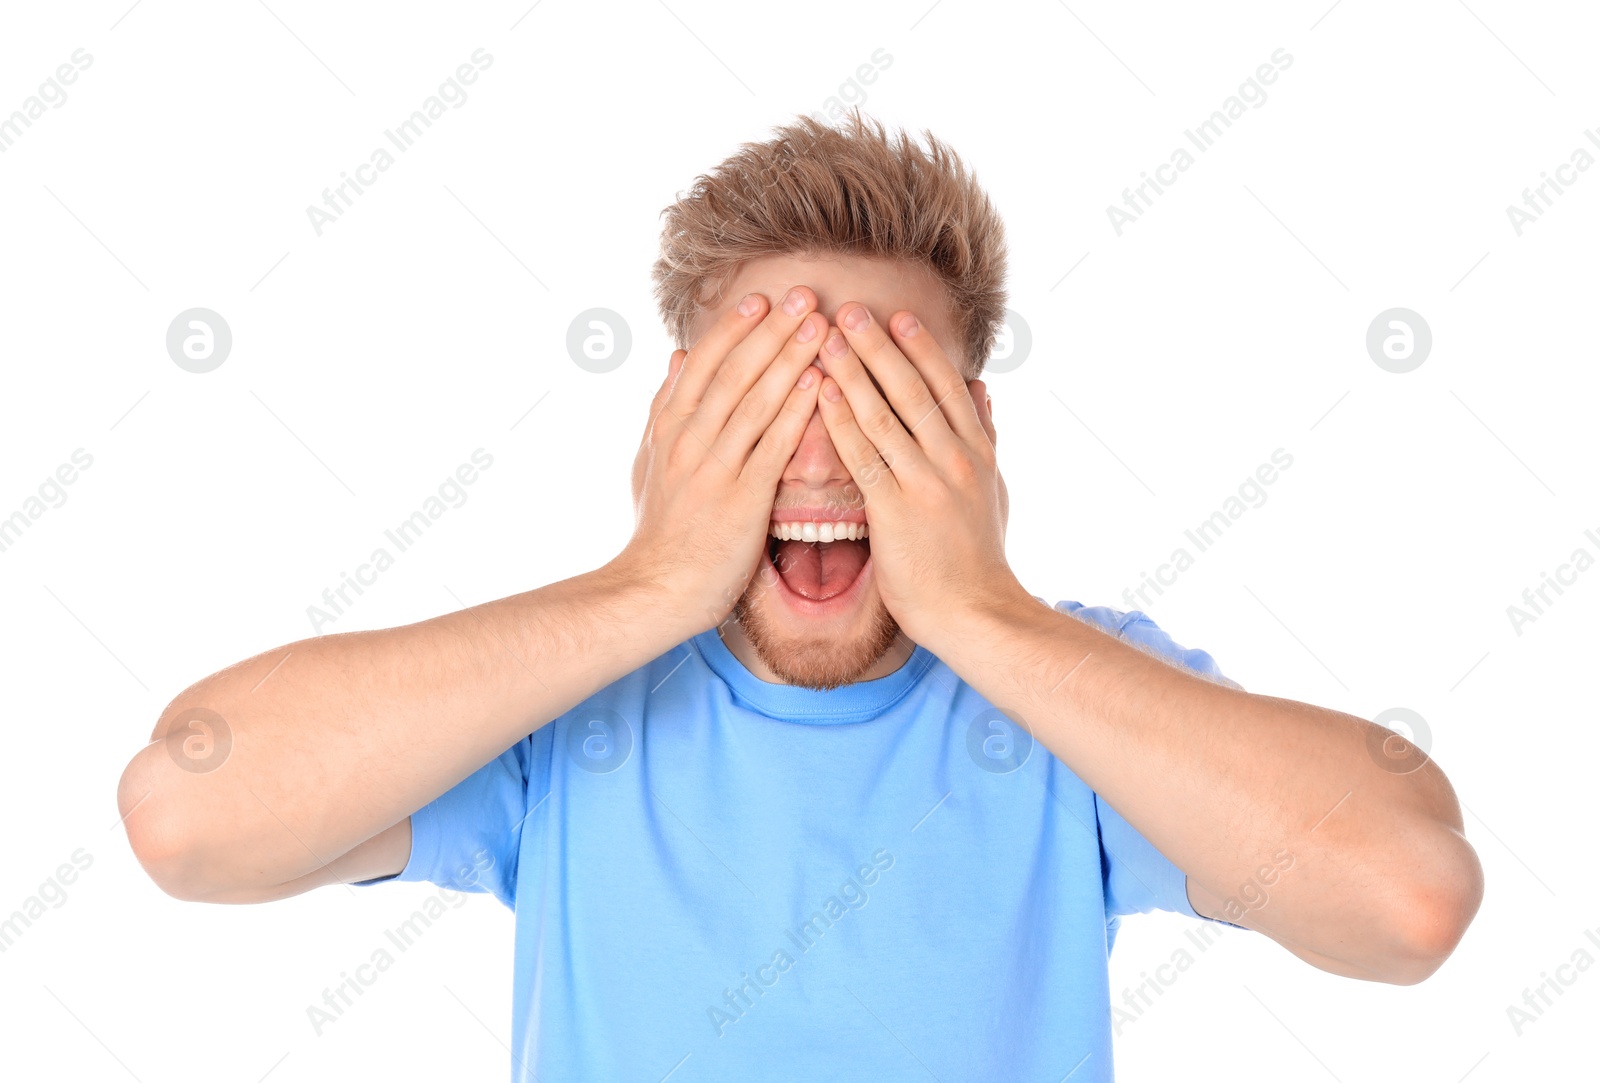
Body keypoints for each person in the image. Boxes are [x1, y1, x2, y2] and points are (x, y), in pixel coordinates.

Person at [118, 111, 1483, 1081]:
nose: (822, 455)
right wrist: (648, 583)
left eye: (886, 403)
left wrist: (987, 615)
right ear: (673, 426)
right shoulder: (556, 710)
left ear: (973, 443)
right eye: (764, 398)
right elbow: (185, 811)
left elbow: (1411, 898)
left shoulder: (1073, 701)